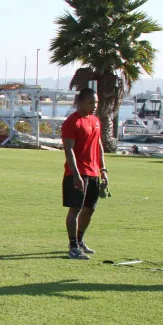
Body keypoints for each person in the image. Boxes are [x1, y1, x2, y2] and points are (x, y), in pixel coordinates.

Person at [61, 88, 108, 260]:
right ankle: (73, 246)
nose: (95, 106)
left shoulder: (95, 120)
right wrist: (75, 174)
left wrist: (103, 169)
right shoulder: (72, 122)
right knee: (75, 210)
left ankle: (80, 240)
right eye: (91, 102)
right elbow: (69, 150)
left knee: (89, 209)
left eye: (96, 102)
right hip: (77, 172)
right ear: (80, 102)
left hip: (94, 172)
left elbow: (99, 146)